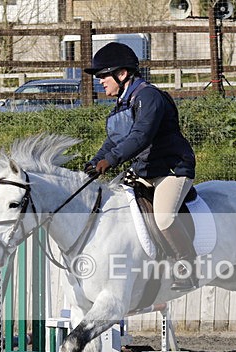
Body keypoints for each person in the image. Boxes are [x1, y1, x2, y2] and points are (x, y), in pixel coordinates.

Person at [84, 42, 198, 291]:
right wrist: (94, 163)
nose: (100, 81)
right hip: (146, 171)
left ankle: (187, 267)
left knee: (164, 217)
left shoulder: (149, 97)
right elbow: (113, 140)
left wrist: (110, 161)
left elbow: (140, 137)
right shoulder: (124, 103)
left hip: (172, 170)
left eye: (103, 75)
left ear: (122, 74)